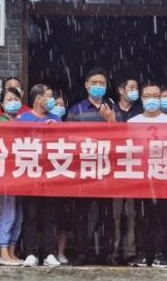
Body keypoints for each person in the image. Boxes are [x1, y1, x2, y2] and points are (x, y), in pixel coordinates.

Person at [68, 68, 115, 261]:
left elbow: (122, 137)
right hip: (83, 169)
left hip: (106, 169)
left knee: (107, 214)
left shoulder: (112, 108)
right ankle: (81, 252)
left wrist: (111, 121)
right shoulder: (76, 110)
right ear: (86, 85)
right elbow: (68, 138)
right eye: (94, 83)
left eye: (101, 83)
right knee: (82, 214)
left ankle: (107, 253)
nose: (98, 86)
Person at [128, 82, 167, 268]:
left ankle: (159, 253)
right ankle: (141, 253)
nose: (152, 100)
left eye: (156, 96)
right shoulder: (132, 122)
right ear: (141, 98)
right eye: (148, 96)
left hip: (163, 176)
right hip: (139, 177)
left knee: (162, 216)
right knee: (140, 216)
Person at [18, 83, 62, 267]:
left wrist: (55, 129)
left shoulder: (56, 118)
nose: (51, 100)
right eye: (49, 96)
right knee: (31, 215)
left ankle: (50, 252)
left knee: (50, 215)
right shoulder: (23, 118)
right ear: (38, 98)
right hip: (30, 173)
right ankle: (31, 252)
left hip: (51, 174)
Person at [111, 76, 141, 263]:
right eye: (131, 87)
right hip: (114, 169)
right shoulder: (110, 110)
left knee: (132, 214)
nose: (135, 90)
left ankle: (130, 251)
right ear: (121, 90)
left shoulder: (140, 112)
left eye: (136, 87)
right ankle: (114, 251)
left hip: (135, 168)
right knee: (115, 214)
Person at [0, 85, 24, 264]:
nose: (13, 103)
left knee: (18, 215)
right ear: (1, 104)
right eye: (9, 100)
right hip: (6, 174)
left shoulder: (22, 120)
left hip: (21, 173)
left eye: (16, 99)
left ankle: (12, 251)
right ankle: (3, 252)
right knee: (8, 213)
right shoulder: (1, 121)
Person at [52, 91, 71, 265]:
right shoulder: (46, 123)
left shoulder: (70, 124)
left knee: (63, 219)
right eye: (55, 104)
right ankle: (46, 251)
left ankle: (61, 252)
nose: (58, 107)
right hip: (49, 178)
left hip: (67, 180)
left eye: (61, 105)